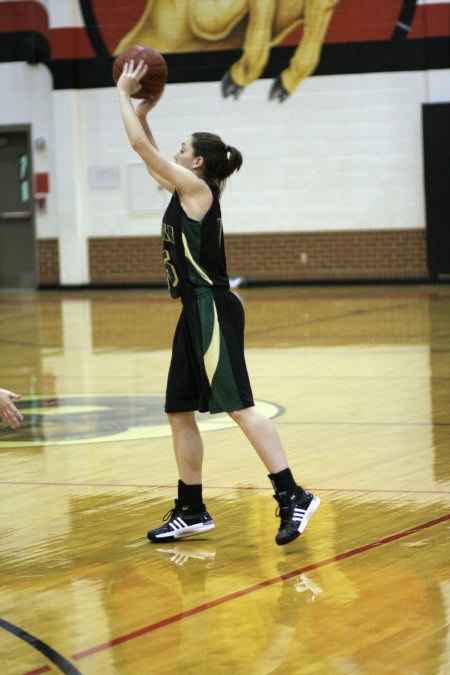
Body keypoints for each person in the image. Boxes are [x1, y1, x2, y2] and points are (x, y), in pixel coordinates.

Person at [116, 60, 320, 546]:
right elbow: (148, 155)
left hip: (211, 306)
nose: (175, 151)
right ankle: (191, 508)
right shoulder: (186, 186)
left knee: (239, 406)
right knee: (178, 410)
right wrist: (143, 110)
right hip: (193, 309)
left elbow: (141, 149)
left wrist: (123, 95)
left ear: (198, 163)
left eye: (182, 148)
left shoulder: (197, 189)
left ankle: (293, 495)